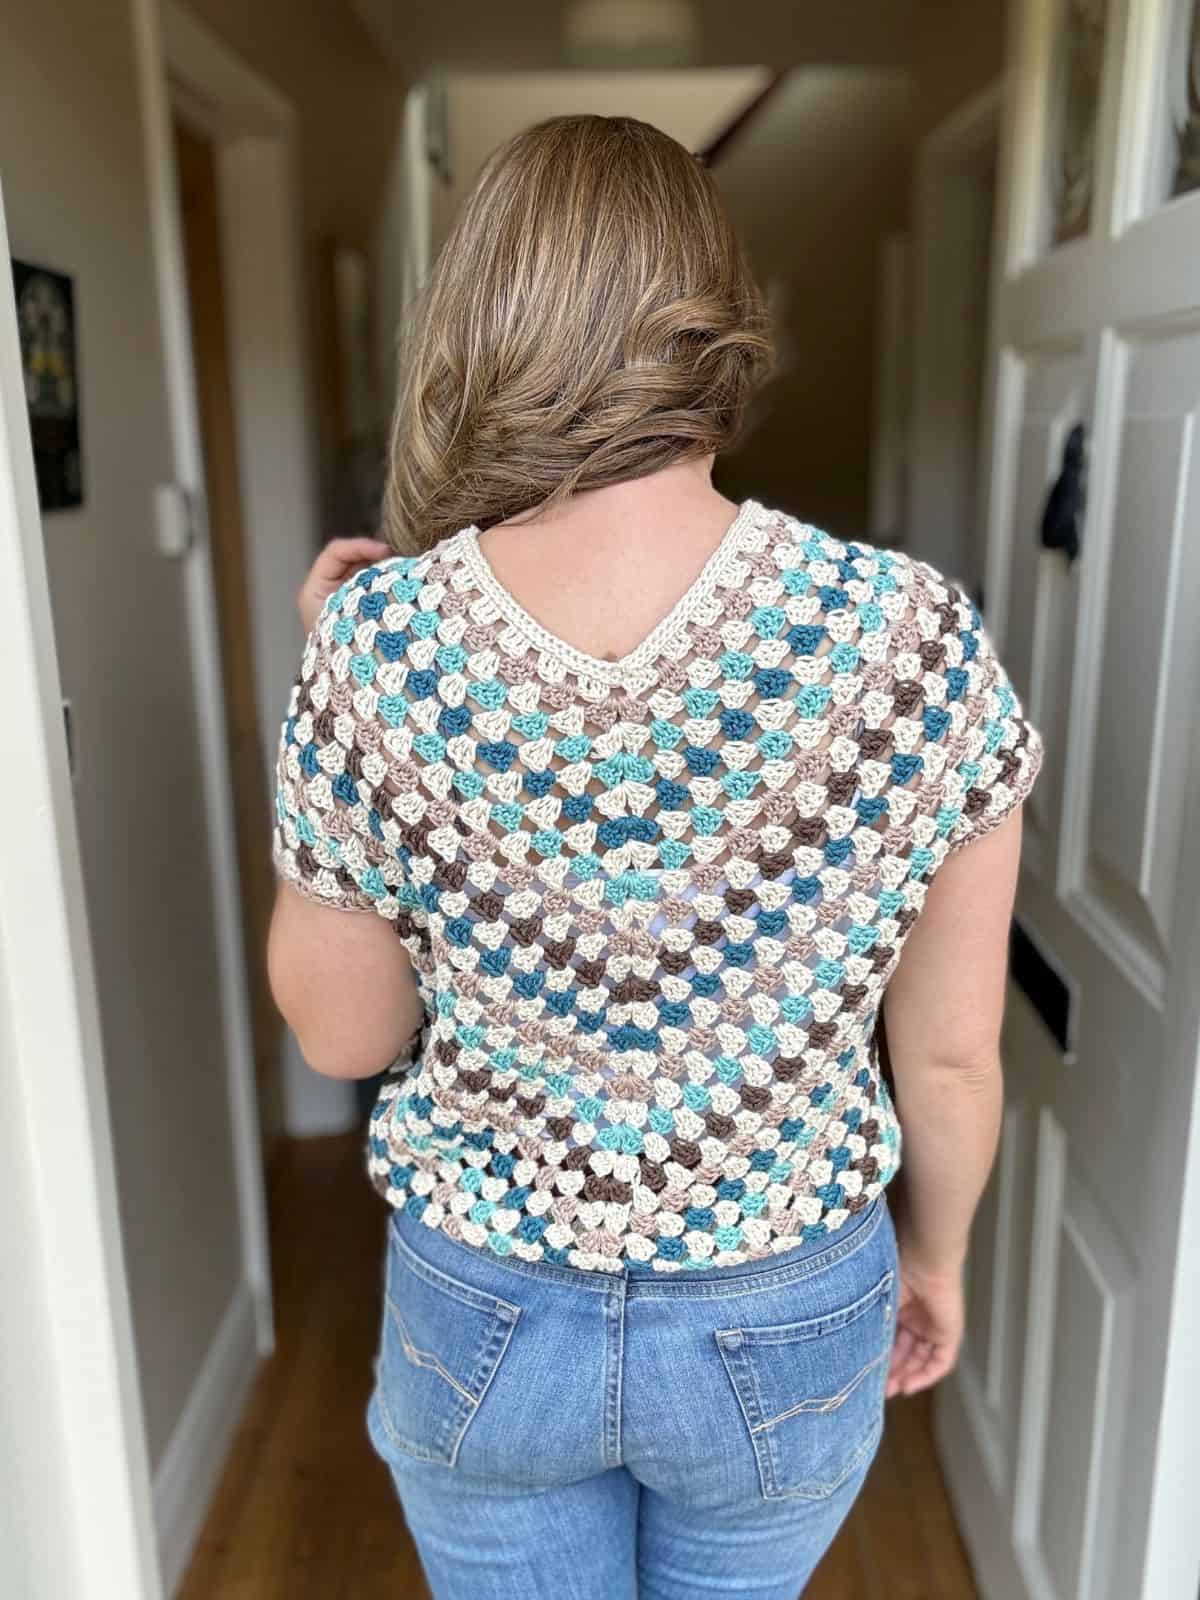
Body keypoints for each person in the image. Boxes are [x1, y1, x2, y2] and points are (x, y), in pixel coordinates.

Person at [268, 114, 1042, 1600]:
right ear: (720, 328)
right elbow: (946, 1060)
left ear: (483, 322)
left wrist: (343, 692)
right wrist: (935, 1261)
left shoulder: (378, 647)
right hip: (788, 1298)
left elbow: (344, 1027)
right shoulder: (910, 638)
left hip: (483, 1304)